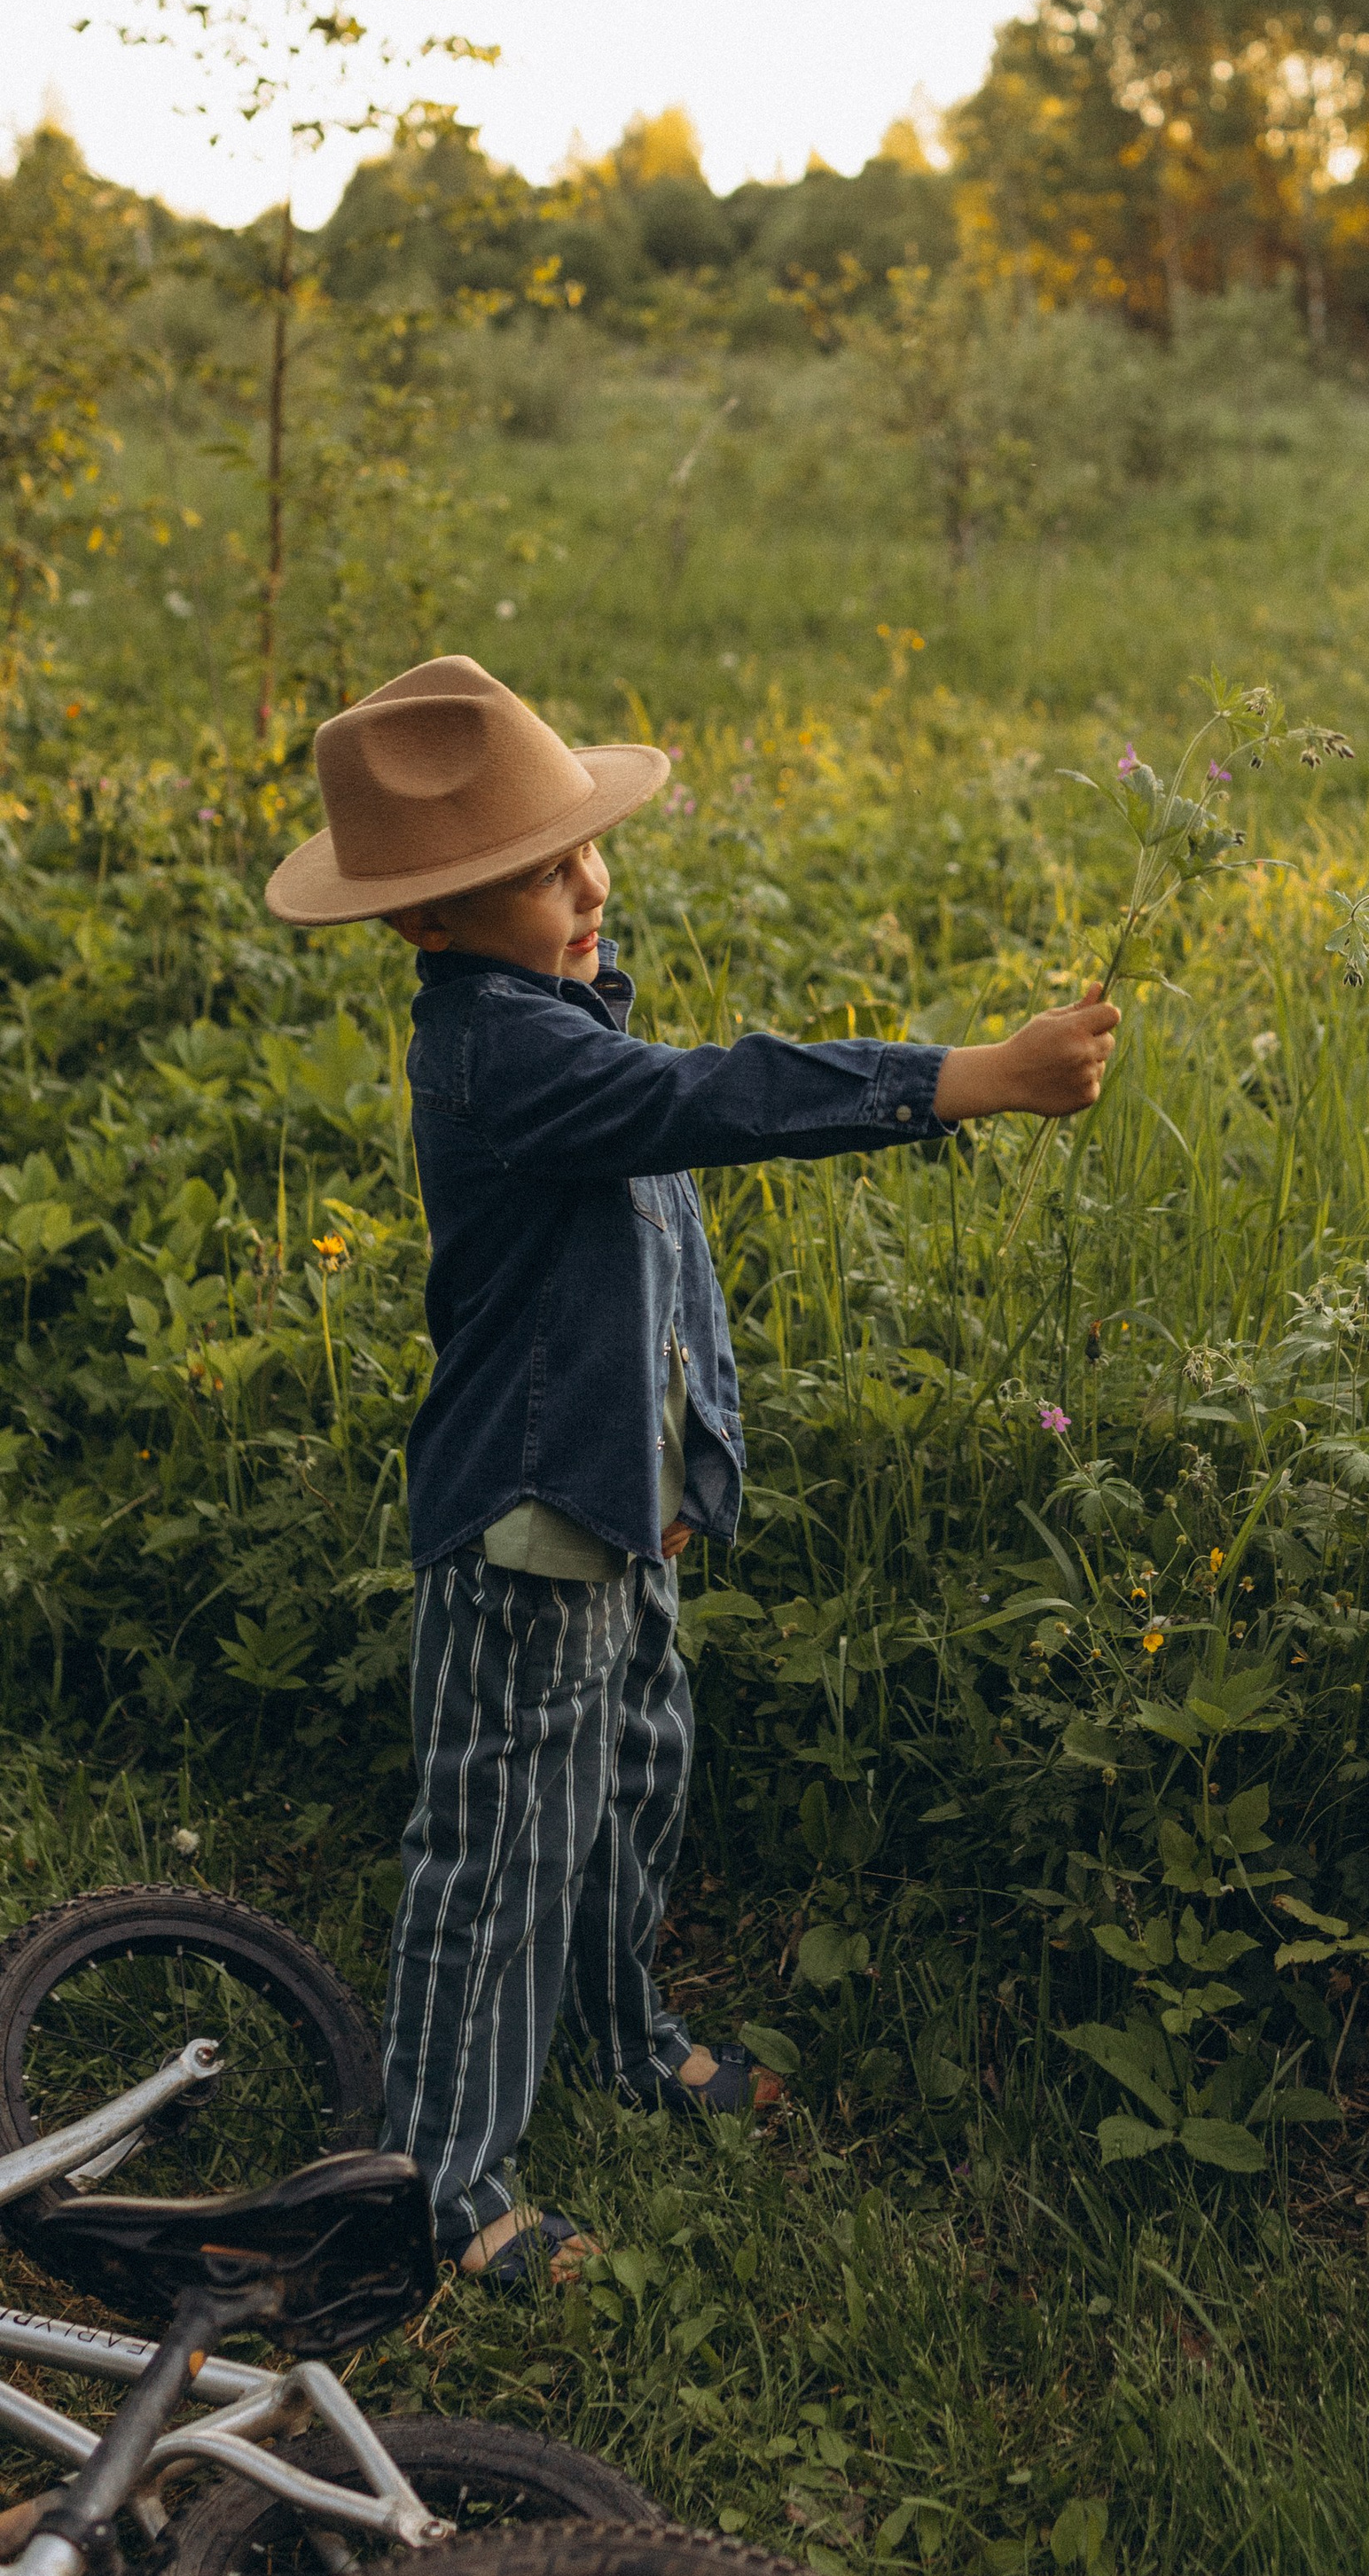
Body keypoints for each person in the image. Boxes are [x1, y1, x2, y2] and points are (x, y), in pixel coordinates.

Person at [266, 654, 1117, 2283]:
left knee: (629, 1787)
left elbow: (656, 1271)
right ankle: (441, 2186)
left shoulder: (560, 1014)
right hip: (528, 1532)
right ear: (426, 919)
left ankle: (621, 2039)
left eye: (585, 848)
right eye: (544, 873)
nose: (593, 885)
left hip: (619, 1508)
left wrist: (685, 1468)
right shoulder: (500, 1052)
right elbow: (713, 1101)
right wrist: (972, 1078)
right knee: (501, 1852)